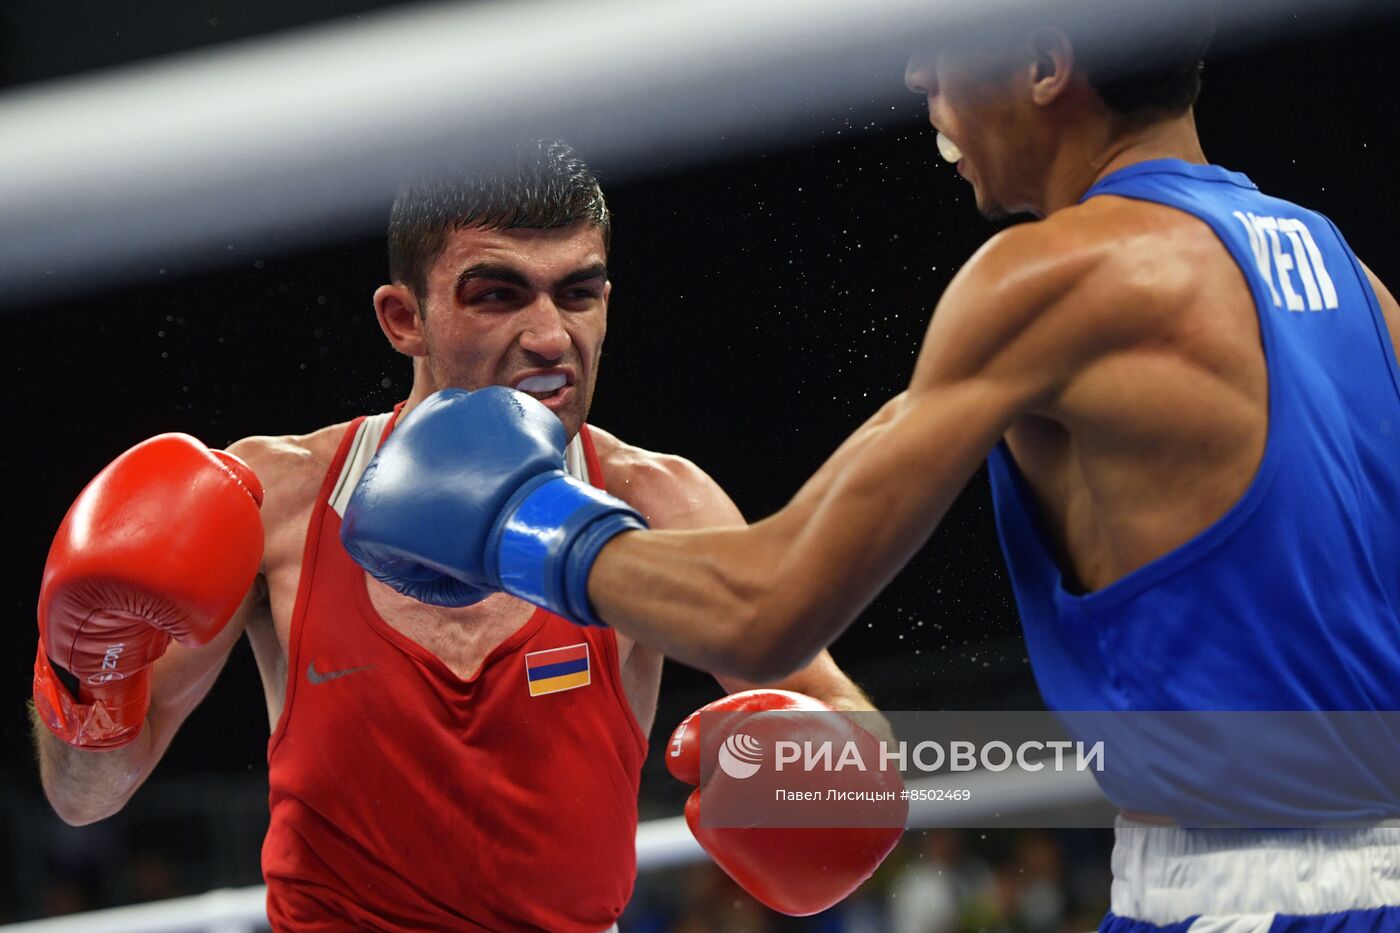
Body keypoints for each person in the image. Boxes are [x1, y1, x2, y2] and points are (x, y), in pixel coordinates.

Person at [339, 9, 1400, 931]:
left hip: (1251, 892)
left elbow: (764, 608)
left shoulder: (1055, 274)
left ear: (1043, 64)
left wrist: (519, 527)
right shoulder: (1344, 272)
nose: (920, 75)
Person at [29, 141, 896, 931]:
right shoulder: (280, 503)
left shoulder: (658, 504)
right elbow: (84, 796)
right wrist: (92, 670)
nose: (551, 337)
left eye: (578, 292)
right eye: (497, 294)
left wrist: (831, 780)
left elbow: (854, 735)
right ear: (402, 318)